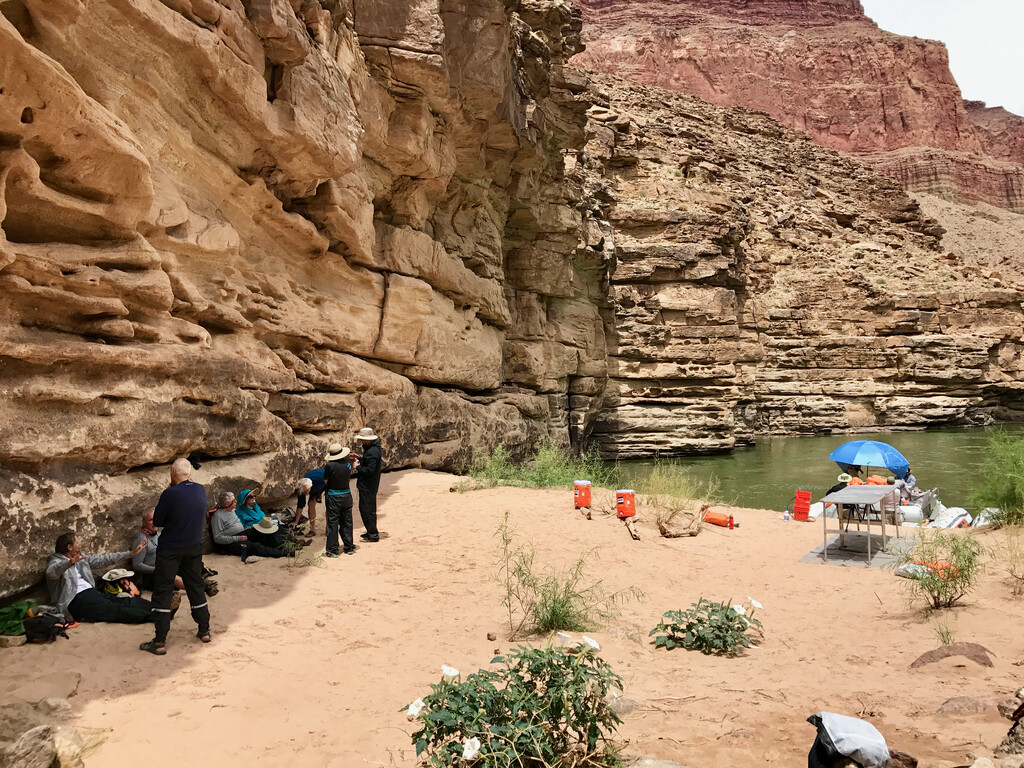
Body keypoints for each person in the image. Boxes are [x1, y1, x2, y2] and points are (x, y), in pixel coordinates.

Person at [141, 458, 211, 655]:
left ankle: (159, 641)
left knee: (163, 590)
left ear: (172, 473)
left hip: (171, 548)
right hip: (194, 546)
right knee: (195, 585)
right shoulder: (200, 489)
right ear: (189, 473)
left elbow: (158, 520)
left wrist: (169, 491)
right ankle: (204, 630)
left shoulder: (169, 493)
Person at [46, 532, 153, 624]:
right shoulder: (56, 562)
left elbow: (103, 559)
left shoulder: (80, 557)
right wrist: (69, 563)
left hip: (91, 593)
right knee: (115, 609)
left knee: (123, 601)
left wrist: (130, 554)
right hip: (75, 600)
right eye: (77, 542)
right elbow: (52, 572)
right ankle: (154, 616)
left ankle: (157, 608)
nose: (80, 543)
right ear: (69, 547)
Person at [210, 492, 288, 559]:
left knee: (262, 531)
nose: (236, 501)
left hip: (242, 533)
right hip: (230, 542)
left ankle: (286, 545)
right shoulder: (218, 516)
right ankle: (282, 553)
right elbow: (217, 538)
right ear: (227, 504)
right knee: (255, 547)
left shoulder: (231, 511)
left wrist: (244, 529)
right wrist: (237, 538)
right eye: (233, 501)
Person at [323, 443, 356, 557]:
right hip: (347, 494)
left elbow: (326, 481)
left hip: (334, 496)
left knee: (333, 523)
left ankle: (332, 550)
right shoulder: (347, 463)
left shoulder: (329, 465)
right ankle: (349, 547)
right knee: (347, 521)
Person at [352, 427, 383, 543]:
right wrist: (360, 459)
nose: (361, 441)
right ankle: (370, 531)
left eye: (362, 439)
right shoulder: (373, 450)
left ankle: (373, 534)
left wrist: (358, 467)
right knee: (366, 509)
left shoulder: (371, 452)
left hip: (368, 486)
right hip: (369, 485)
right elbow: (369, 463)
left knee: (367, 510)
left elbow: (369, 470)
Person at [294, 468, 325, 536]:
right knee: (311, 504)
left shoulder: (319, 480)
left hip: (327, 482)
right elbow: (300, 505)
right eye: (303, 493)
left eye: (305, 492)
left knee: (330, 505)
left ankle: (329, 529)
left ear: (309, 489)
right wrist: (295, 522)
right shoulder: (301, 487)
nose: (304, 494)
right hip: (316, 484)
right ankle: (312, 529)